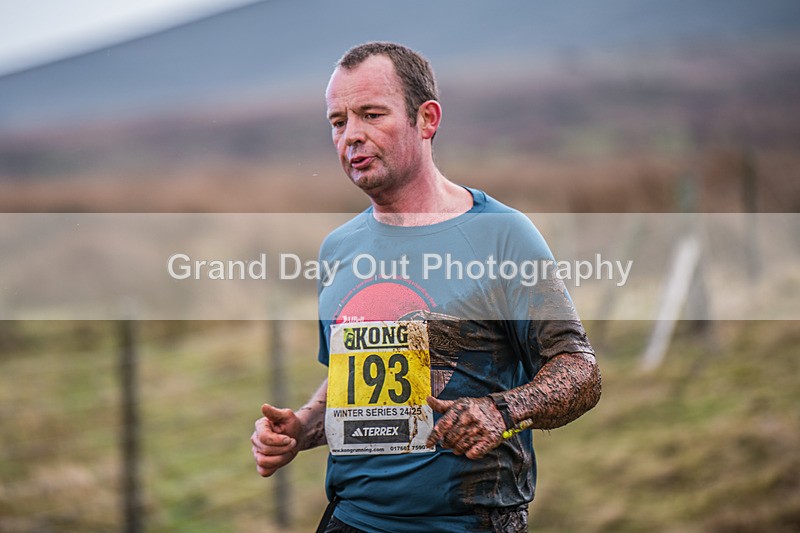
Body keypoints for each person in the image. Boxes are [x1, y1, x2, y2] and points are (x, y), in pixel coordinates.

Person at [251, 41, 601, 533]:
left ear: (427, 119)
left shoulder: (502, 234)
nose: (352, 135)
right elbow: (355, 381)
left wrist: (502, 410)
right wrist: (303, 427)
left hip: (469, 522)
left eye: (371, 114)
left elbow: (581, 371)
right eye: (338, 121)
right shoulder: (338, 249)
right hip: (353, 520)